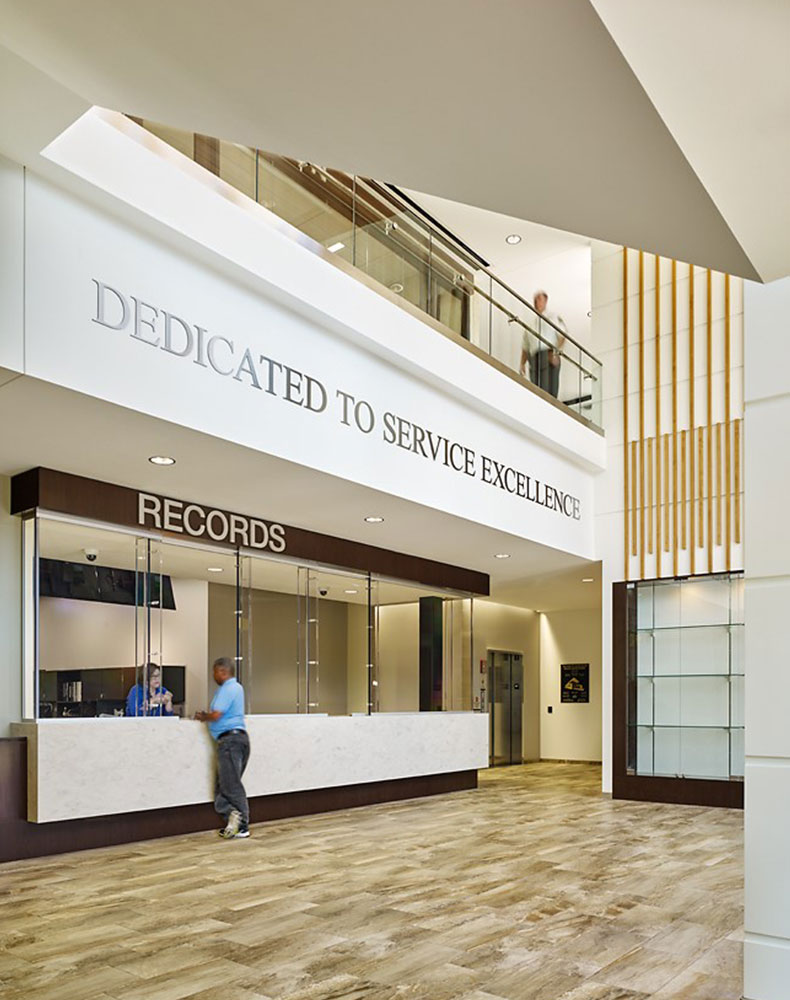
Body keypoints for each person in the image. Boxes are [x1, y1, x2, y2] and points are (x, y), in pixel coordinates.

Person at [195, 657, 250, 839]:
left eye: (215, 672)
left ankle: (242, 826)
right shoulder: (236, 688)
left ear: (222, 671)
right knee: (223, 787)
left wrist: (203, 716)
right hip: (237, 740)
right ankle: (234, 821)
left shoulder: (229, 688)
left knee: (230, 786)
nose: (213, 675)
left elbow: (217, 714)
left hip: (230, 742)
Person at [519, 289, 566, 399]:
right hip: (534, 357)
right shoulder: (530, 324)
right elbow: (525, 346)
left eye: (539, 299)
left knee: (549, 389)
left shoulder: (553, 317)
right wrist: (522, 363)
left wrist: (555, 352)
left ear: (545, 301)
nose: (536, 302)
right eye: (535, 300)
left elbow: (562, 336)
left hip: (549, 354)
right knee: (536, 388)